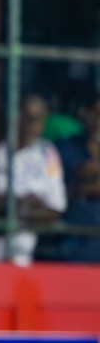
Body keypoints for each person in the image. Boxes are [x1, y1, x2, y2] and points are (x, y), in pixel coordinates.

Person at [0, 94, 66, 266]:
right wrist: (26, 204)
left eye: (39, 120)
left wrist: (19, 206)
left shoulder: (48, 153)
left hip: (32, 244)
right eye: (29, 119)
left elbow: (56, 209)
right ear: (17, 117)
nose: (33, 126)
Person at [55, 93, 100, 263]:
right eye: (96, 114)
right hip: (75, 228)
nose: (99, 121)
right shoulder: (66, 147)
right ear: (85, 114)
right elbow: (81, 175)